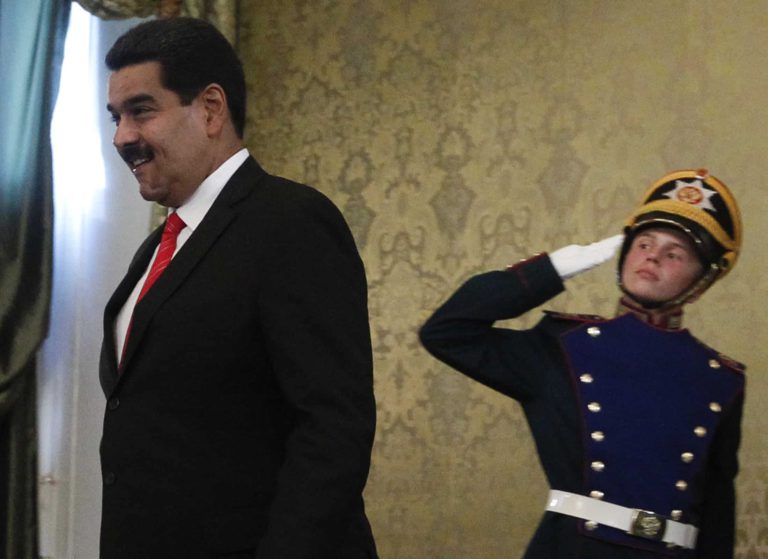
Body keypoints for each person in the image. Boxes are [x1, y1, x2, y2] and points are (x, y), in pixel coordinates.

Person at [99, 18, 378, 559]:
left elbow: (332, 431)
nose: (122, 137)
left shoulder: (291, 221)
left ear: (210, 108)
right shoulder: (155, 250)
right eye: (115, 117)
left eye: (141, 111)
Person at [420, 169, 744, 558]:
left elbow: (717, 514)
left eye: (674, 253)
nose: (653, 256)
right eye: (643, 243)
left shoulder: (721, 378)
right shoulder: (563, 347)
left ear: (701, 283)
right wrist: (555, 267)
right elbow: (447, 332)